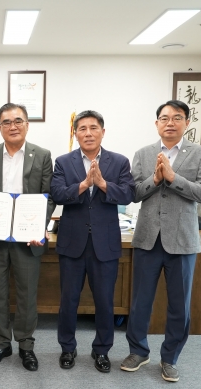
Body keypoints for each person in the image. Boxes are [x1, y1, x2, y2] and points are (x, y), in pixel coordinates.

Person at [121, 100, 201, 382]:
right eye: (164, 118)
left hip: (182, 240)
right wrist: (155, 178)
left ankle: (170, 358)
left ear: (187, 122)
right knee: (140, 302)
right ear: (156, 123)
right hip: (148, 238)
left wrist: (173, 178)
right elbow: (133, 193)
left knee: (179, 306)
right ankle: (138, 351)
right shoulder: (143, 153)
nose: (170, 122)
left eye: (177, 117)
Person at [0, 103, 55, 372]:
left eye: (18, 121)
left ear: (27, 125)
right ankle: (0, 344)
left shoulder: (42, 155)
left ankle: (26, 346)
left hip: (27, 239)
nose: (13, 126)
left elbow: (49, 196)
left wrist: (39, 226)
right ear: (0, 128)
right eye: (6, 122)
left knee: (27, 294)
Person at [50, 110, 135, 373]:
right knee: (68, 301)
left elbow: (129, 194)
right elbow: (57, 194)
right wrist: (85, 185)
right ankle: (67, 348)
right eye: (82, 128)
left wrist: (103, 184)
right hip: (72, 242)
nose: (88, 133)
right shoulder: (63, 162)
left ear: (103, 132)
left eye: (93, 128)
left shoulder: (119, 161)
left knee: (105, 302)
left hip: (104, 244)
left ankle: (102, 350)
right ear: (75, 134)